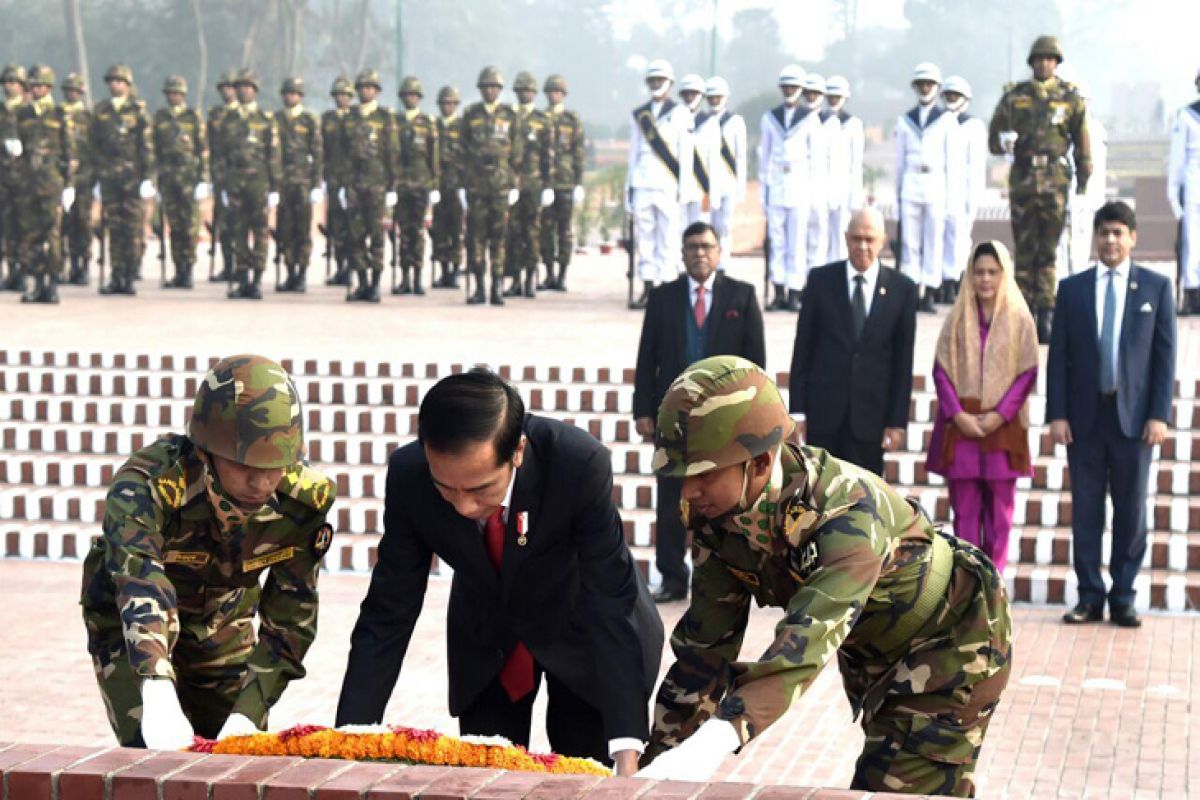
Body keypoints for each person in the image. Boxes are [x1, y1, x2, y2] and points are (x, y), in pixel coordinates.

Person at [636, 356, 1012, 797]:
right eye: (682, 475)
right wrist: (657, 762)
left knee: (894, 785)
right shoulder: (715, 515)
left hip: (951, 641)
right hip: (874, 647)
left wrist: (715, 740)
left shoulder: (846, 514)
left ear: (759, 463)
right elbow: (705, 651)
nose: (688, 491)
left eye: (704, 474)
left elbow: (802, 646)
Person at [336, 369, 664, 774]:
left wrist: (627, 750)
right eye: (446, 489)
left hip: (584, 634)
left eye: (481, 489)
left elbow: (610, 600)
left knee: (585, 770)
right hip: (489, 635)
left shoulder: (577, 464)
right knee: (487, 777)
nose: (463, 507)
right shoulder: (410, 475)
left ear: (518, 452)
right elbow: (389, 609)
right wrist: (348, 739)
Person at [80, 354, 336, 749]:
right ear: (205, 451)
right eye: (243, 464)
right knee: (149, 754)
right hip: (130, 625)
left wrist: (250, 710)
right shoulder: (149, 485)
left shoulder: (303, 501)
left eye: (276, 464)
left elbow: (291, 619)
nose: (261, 481)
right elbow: (140, 581)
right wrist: (156, 681)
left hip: (223, 621)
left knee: (235, 757)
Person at [1048, 201, 1176, 628]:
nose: (1110, 240)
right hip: (1084, 420)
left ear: (1133, 237)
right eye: (1104, 232)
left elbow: (1164, 358)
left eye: (1119, 232)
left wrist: (1159, 413)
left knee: (1130, 511)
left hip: (1134, 422)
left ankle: (1123, 596)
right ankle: (1088, 596)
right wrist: (1057, 414)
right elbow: (1059, 358)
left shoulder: (1156, 288)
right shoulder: (1073, 289)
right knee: (1085, 511)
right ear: (1095, 237)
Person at [633, 221, 766, 603]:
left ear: (719, 252)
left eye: (707, 246)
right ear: (682, 253)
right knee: (672, 500)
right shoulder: (663, 298)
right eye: (692, 247)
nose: (700, 253)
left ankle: (724, 579)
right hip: (674, 419)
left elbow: (755, 362)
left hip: (724, 422)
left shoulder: (741, 296)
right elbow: (647, 359)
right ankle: (673, 577)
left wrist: (753, 416)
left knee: (723, 497)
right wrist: (643, 409)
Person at [926, 241, 1038, 574]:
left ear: (1004, 274)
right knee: (965, 512)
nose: (985, 279)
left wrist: (999, 415)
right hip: (961, 428)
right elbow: (941, 370)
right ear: (969, 276)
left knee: (1000, 515)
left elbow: (1027, 371)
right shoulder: (957, 318)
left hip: (1003, 429)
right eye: (979, 272)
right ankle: (967, 585)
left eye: (992, 272)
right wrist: (958, 415)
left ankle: (993, 583)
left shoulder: (1019, 318)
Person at [789, 208, 918, 475]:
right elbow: (803, 350)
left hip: (871, 419)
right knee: (821, 500)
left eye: (869, 239)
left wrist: (896, 421)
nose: (862, 246)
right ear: (845, 238)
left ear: (882, 241)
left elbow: (902, 362)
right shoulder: (820, 281)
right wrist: (798, 412)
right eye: (856, 238)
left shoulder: (902, 289)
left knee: (864, 504)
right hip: (824, 416)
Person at [989, 35, 1090, 342]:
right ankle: (1022, 313)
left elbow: (1082, 142)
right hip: (1023, 179)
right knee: (1024, 250)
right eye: (1039, 58)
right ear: (1032, 62)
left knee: (1048, 252)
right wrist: (1003, 140)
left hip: (1055, 181)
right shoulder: (1014, 97)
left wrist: (1084, 178)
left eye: (1050, 58)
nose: (1044, 63)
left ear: (1057, 63)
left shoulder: (1070, 98)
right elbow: (993, 140)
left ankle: (1046, 313)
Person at [625, 59, 692, 309]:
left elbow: (686, 154)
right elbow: (632, 154)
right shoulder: (639, 115)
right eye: (652, 80)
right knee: (645, 238)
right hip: (642, 181)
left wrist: (684, 188)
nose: (656, 84)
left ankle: (669, 288)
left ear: (670, 84)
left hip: (668, 183)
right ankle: (649, 287)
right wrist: (628, 190)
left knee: (669, 239)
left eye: (660, 80)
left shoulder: (680, 112)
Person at [759, 64, 820, 312]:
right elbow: (764, 156)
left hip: (799, 184)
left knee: (796, 241)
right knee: (777, 241)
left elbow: (815, 160)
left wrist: (813, 194)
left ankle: (795, 290)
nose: (789, 91)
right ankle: (779, 290)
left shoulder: (810, 118)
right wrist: (765, 189)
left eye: (794, 87)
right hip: (777, 183)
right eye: (786, 87)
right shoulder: (770, 118)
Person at [459, 66, 522, 306]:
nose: (490, 91)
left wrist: (514, 182)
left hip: (500, 186)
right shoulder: (470, 115)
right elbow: (462, 150)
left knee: (499, 238)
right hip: (476, 186)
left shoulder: (509, 115)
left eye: (494, 87)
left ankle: (497, 286)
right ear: (480, 90)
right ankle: (479, 287)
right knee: (476, 238)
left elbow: (517, 152)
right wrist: (463, 184)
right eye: (486, 87)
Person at [894, 62, 952, 313]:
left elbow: (953, 163)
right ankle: (911, 288)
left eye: (929, 84)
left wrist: (951, 196)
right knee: (911, 242)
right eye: (921, 84)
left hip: (936, 182)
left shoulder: (946, 120)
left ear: (937, 87)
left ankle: (929, 290)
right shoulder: (905, 120)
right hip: (911, 181)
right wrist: (897, 194)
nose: (925, 88)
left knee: (933, 240)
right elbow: (899, 160)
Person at [92, 63, 155, 296]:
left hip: (132, 179)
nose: (115, 85)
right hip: (109, 177)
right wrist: (96, 177)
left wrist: (148, 177)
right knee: (114, 228)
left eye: (119, 81)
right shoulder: (101, 111)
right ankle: (116, 274)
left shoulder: (138, 112)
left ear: (127, 85)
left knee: (132, 228)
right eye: (112, 81)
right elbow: (94, 146)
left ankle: (129, 274)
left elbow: (146, 147)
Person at [217, 69, 280, 300]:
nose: (243, 90)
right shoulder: (229, 120)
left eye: (248, 86)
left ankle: (257, 280)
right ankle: (242, 278)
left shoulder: (265, 120)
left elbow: (273, 155)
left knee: (260, 231)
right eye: (240, 86)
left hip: (258, 183)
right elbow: (221, 155)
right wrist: (222, 184)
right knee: (239, 231)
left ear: (255, 90)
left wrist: (275, 188)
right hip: (235, 183)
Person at [14, 64, 74, 304]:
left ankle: (52, 283)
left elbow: (70, 152)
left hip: (51, 182)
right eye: (33, 85)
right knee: (31, 235)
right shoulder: (23, 114)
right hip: (29, 182)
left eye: (40, 85)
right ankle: (37, 283)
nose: (36, 89)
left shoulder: (59, 114)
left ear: (48, 87)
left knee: (52, 235)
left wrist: (69, 184)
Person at [342, 68, 398, 303]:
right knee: (355, 236)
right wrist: (342, 185)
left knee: (376, 235)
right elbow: (342, 153)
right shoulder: (350, 117)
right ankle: (362, 282)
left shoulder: (385, 118)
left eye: (370, 87)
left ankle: (375, 284)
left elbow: (392, 153)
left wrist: (392, 187)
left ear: (376, 91)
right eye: (362, 87)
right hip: (354, 183)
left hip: (377, 183)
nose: (366, 91)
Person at [154, 75, 209, 290]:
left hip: (188, 178)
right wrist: (154, 178)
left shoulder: (193, 117)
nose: (173, 97)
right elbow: (154, 150)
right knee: (175, 225)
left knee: (190, 226)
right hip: (168, 176)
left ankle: (188, 268)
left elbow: (202, 150)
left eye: (177, 93)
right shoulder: (160, 117)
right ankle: (178, 269)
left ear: (183, 95)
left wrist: (203, 179)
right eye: (170, 93)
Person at [1055, 66, 1106, 281]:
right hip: (1061, 195)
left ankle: (1078, 284)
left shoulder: (1096, 129)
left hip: (1085, 197)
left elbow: (1098, 167)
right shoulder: (1057, 126)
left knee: (1081, 245)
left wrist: (1096, 199)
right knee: (1059, 246)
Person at [940, 76, 987, 305]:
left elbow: (976, 165)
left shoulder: (973, 126)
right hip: (940, 188)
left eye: (955, 96)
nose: (951, 99)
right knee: (939, 238)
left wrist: (973, 195)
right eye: (948, 95)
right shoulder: (938, 123)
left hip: (962, 189)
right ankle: (940, 282)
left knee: (959, 239)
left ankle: (956, 280)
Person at [505, 71, 551, 299]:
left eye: (529, 91)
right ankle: (514, 280)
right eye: (521, 91)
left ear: (534, 93)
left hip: (533, 185)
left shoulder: (542, 121)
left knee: (532, 233)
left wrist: (548, 186)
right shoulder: (508, 117)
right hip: (511, 185)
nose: (525, 94)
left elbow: (548, 156)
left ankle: (531, 278)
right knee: (512, 233)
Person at [274, 76, 322, 293]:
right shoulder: (276, 119)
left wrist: (317, 185)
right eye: (287, 93)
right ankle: (289, 272)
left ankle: (301, 273)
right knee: (285, 229)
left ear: (300, 96)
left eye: (293, 93)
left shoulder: (309, 120)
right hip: (283, 182)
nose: (289, 97)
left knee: (302, 230)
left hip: (303, 181)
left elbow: (318, 153)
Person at [392, 76, 439, 296]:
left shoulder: (427, 124)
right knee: (403, 233)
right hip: (402, 184)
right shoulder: (395, 122)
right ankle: (404, 278)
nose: (410, 98)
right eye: (407, 95)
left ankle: (418, 277)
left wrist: (434, 184)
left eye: (414, 95)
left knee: (418, 232)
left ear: (419, 98)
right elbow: (391, 155)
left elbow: (433, 157)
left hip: (421, 184)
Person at [539, 74, 585, 292]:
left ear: (563, 95)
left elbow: (578, 152)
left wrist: (579, 182)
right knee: (546, 231)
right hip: (544, 183)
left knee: (564, 231)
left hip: (565, 182)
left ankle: (562, 275)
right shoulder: (539, 118)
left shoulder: (571, 119)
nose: (553, 95)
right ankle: (548, 273)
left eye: (557, 92)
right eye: (550, 91)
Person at [697, 77, 745, 265]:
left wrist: (740, 186)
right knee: (707, 226)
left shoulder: (735, 122)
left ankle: (722, 265)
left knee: (724, 227)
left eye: (718, 97)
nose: (714, 100)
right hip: (707, 183)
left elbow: (740, 157)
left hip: (728, 182)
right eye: (711, 97)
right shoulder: (701, 122)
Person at [1167, 67, 1200, 316]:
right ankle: (1193, 295)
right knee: (1193, 245)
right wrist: (1173, 193)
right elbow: (1177, 160)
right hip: (1194, 188)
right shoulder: (1187, 116)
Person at [823, 75, 863, 264]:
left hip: (843, 185)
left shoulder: (853, 124)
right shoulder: (816, 121)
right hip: (821, 185)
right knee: (820, 236)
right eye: (830, 96)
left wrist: (855, 193)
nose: (833, 100)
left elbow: (856, 162)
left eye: (837, 96)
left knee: (840, 235)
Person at [60, 71, 95, 286]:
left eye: (75, 90)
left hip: (84, 176)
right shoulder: (58, 113)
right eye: (68, 90)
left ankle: (83, 264)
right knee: (64, 224)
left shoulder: (89, 118)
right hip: (62, 177)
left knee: (82, 222)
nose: (71, 94)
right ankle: (67, 264)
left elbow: (96, 148)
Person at [321, 76, 354, 287]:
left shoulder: (357, 118)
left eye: (345, 95)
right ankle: (340, 265)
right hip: (333, 177)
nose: (341, 98)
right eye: (338, 95)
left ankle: (352, 266)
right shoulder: (328, 119)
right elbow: (321, 148)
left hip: (352, 179)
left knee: (352, 225)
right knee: (335, 225)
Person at [207, 70, 239, 283]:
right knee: (224, 224)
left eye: (230, 87)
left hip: (242, 175)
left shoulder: (244, 114)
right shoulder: (215, 114)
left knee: (241, 224)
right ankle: (228, 266)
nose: (226, 92)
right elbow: (210, 145)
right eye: (223, 88)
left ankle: (242, 266)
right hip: (221, 175)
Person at [431, 85, 464, 289]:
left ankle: (454, 270)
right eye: (444, 104)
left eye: (451, 104)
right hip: (438, 185)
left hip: (456, 185)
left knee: (456, 230)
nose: (447, 107)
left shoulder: (462, 128)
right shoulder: (434, 126)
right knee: (439, 229)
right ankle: (443, 270)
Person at [0, 64, 28, 292]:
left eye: (14, 82)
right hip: (2, 177)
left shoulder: (28, 111)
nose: (9, 86)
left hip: (23, 178)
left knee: (22, 225)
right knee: (5, 226)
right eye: (6, 82)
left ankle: (21, 271)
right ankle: (9, 270)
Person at [799, 73, 829, 271]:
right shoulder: (798, 120)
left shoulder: (832, 122)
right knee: (800, 237)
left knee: (820, 236)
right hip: (801, 185)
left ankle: (816, 275)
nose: (811, 97)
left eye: (815, 93)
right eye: (808, 93)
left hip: (825, 186)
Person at [676, 73, 708, 228]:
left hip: (700, 182)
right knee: (678, 227)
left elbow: (712, 160)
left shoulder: (710, 123)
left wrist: (710, 191)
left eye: (693, 93)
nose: (689, 97)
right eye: (686, 94)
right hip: (678, 182)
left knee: (698, 226)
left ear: (701, 95)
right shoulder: (674, 119)